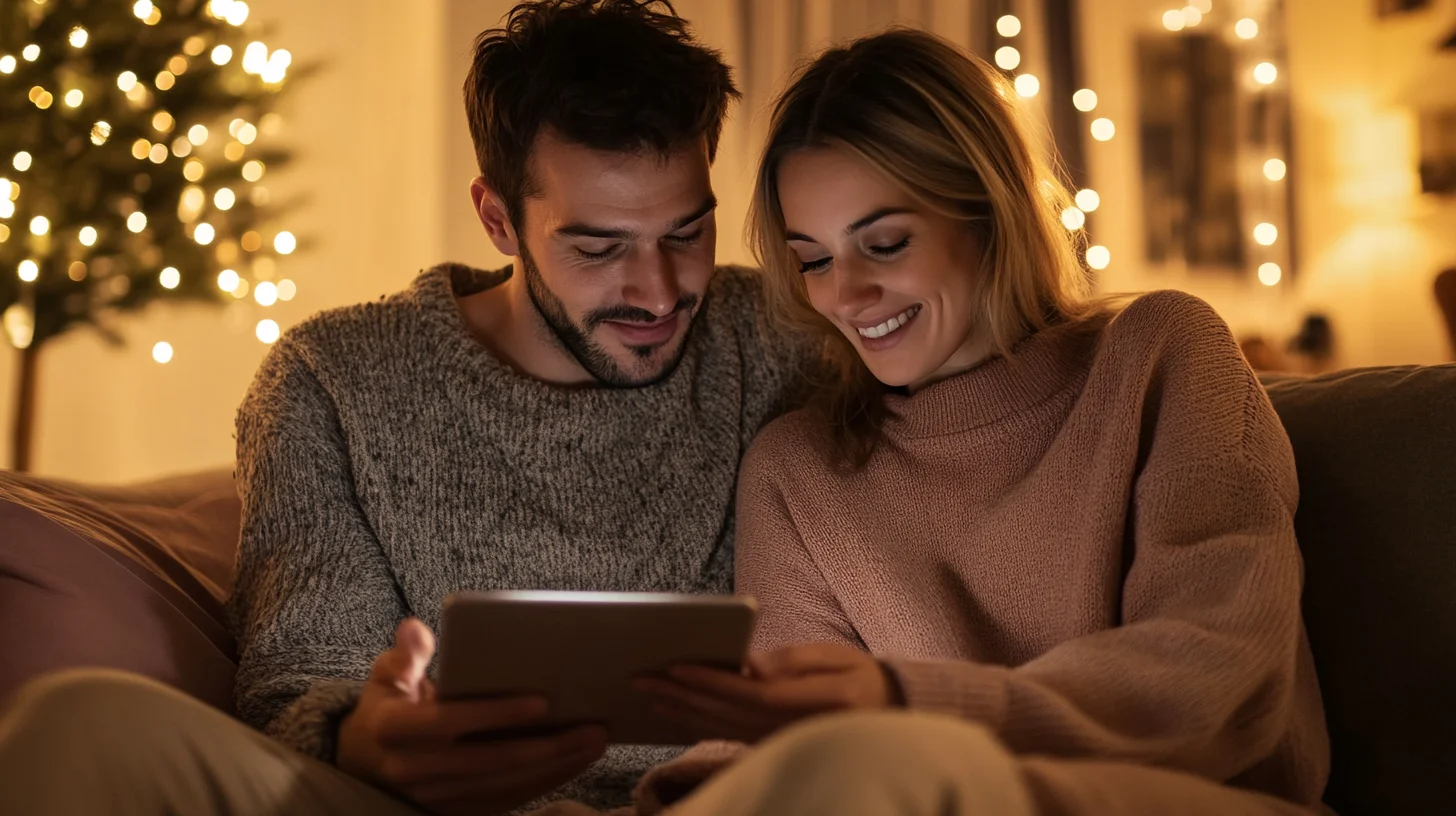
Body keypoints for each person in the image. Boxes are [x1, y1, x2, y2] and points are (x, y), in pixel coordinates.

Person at [0, 2, 818, 815]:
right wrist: (368, 735)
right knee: (78, 723)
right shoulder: (333, 380)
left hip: (718, 802)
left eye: (686, 234)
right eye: (598, 248)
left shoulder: (780, 338)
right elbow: (304, 673)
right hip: (419, 807)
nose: (660, 290)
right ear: (498, 218)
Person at [636, 28, 1332, 815]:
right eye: (815, 259)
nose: (846, 293)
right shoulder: (798, 468)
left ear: (988, 213)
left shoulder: (1160, 354)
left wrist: (906, 702)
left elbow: (1220, 666)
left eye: (885, 243)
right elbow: (783, 733)